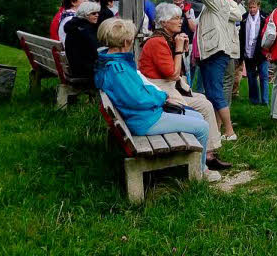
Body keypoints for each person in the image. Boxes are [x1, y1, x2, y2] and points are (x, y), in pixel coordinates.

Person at [94, 18, 219, 182]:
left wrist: (160, 97)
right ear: (126, 41)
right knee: (202, 127)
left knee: (197, 117)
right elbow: (138, 100)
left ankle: (191, 164)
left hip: (139, 116)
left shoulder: (111, 62)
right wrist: (162, 98)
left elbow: (140, 88)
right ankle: (201, 172)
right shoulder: (119, 69)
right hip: (144, 120)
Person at [138, 3, 230, 171]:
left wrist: (182, 48)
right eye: (175, 18)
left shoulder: (163, 39)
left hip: (162, 87)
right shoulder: (157, 42)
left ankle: (208, 150)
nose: (180, 21)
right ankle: (208, 154)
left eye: (180, 17)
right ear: (164, 22)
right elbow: (172, 74)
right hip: (160, 90)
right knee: (205, 105)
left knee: (202, 98)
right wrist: (179, 50)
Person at [197, 0, 244, 141]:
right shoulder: (219, 2)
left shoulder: (219, 1)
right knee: (212, 92)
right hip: (213, 52)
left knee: (215, 93)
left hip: (216, 52)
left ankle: (229, 131)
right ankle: (216, 130)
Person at [239, 0, 269, 106]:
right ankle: (254, 99)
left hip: (261, 52)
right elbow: (241, 35)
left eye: (254, 7)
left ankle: (265, 100)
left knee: (264, 76)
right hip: (248, 51)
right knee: (251, 76)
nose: (252, 10)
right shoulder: (244, 18)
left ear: (258, 6)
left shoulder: (265, 17)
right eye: (250, 7)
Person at [64, 1, 100, 80]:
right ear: (85, 15)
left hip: (76, 67)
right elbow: (96, 51)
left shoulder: (73, 25)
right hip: (85, 71)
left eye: (98, 13)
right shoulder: (85, 30)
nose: (97, 15)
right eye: (93, 13)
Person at [228, 0, 246, 102]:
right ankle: (233, 92)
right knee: (237, 70)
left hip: (232, 44)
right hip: (237, 45)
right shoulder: (241, 10)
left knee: (233, 70)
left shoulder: (228, 7)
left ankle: (231, 92)